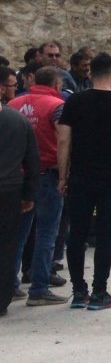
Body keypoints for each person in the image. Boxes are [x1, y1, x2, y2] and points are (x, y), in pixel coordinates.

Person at [58, 53, 111, 310]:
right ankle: (99, 292)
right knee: (106, 235)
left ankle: (78, 290)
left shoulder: (74, 101)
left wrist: (63, 175)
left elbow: (63, 140)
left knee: (77, 235)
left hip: (81, 176)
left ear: (90, 73)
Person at [11, 67, 69, 306]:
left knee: (18, 234)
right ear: (56, 84)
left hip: (17, 176)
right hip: (47, 174)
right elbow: (64, 138)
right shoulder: (56, 106)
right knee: (47, 234)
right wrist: (66, 174)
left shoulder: (13, 105)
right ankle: (39, 288)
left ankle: (10, 285)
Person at [0, 95, 39, 314]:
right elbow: (32, 160)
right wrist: (29, 194)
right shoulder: (18, 120)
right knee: (6, 246)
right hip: (10, 190)